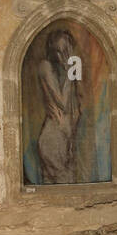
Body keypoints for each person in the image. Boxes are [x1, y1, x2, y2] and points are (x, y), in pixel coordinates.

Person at [36, 27, 81, 183]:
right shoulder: (45, 66)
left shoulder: (63, 71)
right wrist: (70, 75)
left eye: (67, 51)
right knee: (63, 183)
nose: (63, 56)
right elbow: (61, 102)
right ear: (52, 50)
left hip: (64, 137)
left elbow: (75, 111)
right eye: (59, 51)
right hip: (53, 138)